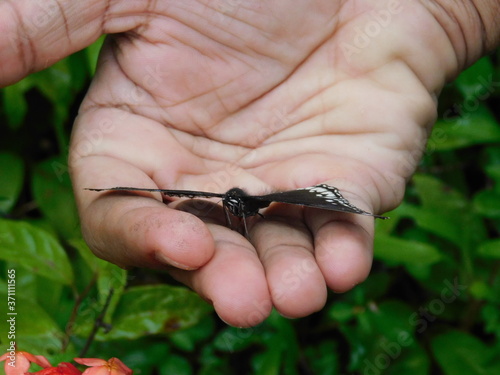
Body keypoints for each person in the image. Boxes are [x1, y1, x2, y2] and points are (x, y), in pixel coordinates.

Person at [2, 0, 499, 327]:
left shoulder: (265, 199)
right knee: (188, 224)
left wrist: (446, 15)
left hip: (254, 197)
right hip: (229, 198)